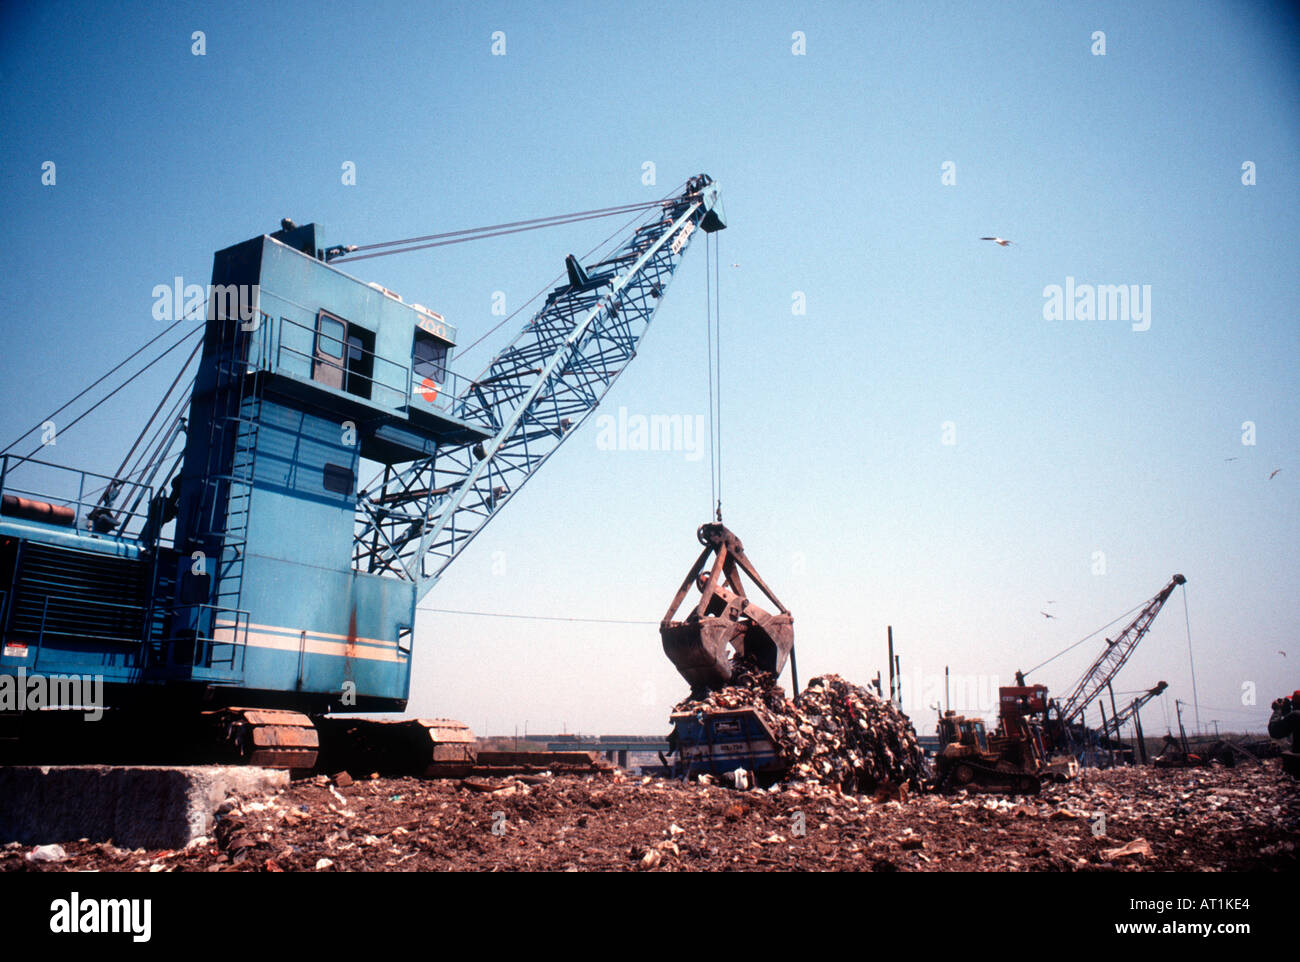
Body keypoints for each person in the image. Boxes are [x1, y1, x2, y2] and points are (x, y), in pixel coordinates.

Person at [1267, 690, 1300, 777]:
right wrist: (1287, 713)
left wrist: (1277, 710)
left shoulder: (1296, 715)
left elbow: (1274, 732)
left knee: (1286, 755)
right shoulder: (1295, 716)